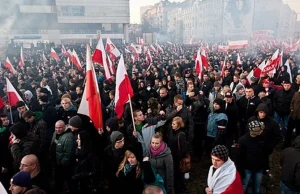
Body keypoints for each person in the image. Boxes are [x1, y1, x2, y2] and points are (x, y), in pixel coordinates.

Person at [236, 121, 269, 194]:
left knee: (257, 188)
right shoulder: (243, 140)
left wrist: (266, 166)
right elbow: (239, 157)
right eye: (260, 129)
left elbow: (265, 154)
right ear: (255, 131)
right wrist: (240, 170)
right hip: (247, 169)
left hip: (259, 168)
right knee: (244, 187)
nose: (262, 131)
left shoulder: (262, 139)